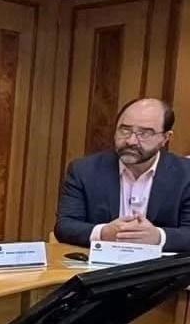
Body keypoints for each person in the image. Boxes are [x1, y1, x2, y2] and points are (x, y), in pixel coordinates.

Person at [55, 98, 190, 251]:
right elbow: (65, 226)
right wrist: (103, 233)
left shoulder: (186, 175)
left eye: (144, 133)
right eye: (124, 130)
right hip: (100, 264)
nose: (131, 141)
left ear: (165, 138)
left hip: (162, 266)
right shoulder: (84, 170)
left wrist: (158, 237)